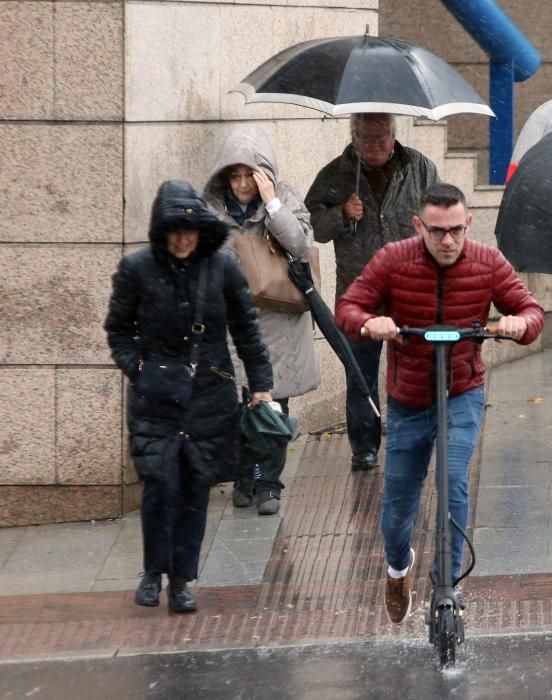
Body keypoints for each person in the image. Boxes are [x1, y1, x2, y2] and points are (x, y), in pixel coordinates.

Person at [335, 183, 544, 624]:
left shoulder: (487, 262)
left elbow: (531, 311)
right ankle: (398, 569)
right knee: (397, 510)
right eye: (436, 231)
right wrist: (371, 321)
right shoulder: (393, 259)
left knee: (453, 481)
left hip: (462, 392)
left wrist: (517, 323)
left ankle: (446, 586)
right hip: (409, 399)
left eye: (455, 230)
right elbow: (348, 308)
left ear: (468, 223)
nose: (447, 241)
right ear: (419, 226)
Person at [104, 180, 273, 612]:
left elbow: (248, 332)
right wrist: (138, 368)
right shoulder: (136, 269)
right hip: (156, 396)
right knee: (160, 484)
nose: (182, 237)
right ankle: (151, 572)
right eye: (173, 229)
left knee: (195, 488)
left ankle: (181, 580)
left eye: (189, 229)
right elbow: (119, 331)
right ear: (161, 231)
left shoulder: (224, 268)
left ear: (200, 230)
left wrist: (261, 386)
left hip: (208, 395)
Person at [305, 113, 439, 472]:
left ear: (395, 136)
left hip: (410, 288)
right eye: (366, 139)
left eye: (382, 139)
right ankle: (364, 446)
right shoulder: (335, 174)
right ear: (353, 138)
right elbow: (312, 226)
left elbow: (439, 216)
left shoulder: (419, 167)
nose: (376, 146)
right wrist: (341, 214)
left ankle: (410, 437)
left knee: (413, 368)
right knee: (360, 371)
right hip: (360, 292)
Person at [203, 125, 320, 515]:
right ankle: (246, 475)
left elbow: (302, 246)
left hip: (279, 319)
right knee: (240, 405)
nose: (240, 185)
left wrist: (272, 205)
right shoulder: (211, 208)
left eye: (249, 176)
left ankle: (269, 483)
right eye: (233, 176)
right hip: (234, 322)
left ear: (264, 174)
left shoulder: (284, 198)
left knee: (272, 407)